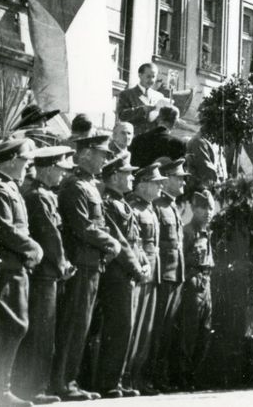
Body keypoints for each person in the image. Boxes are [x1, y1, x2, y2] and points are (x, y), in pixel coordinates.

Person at [50, 132, 120, 401]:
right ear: (87, 153)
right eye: (102, 154)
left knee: (82, 326)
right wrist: (110, 242)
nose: (104, 160)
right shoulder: (75, 186)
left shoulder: (90, 185)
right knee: (73, 326)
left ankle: (70, 380)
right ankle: (62, 383)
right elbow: (83, 226)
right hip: (80, 263)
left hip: (91, 264)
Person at [16, 145, 74, 406]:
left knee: (44, 331)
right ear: (49, 168)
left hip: (47, 271)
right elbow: (50, 235)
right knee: (41, 332)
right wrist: (63, 264)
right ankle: (34, 388)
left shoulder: (43, 194)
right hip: (44, 274)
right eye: (60, 170)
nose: (62, 175)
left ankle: (38, 385)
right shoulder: (39, 196)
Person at [0, 137, 43, 407]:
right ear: (12, 160)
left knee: (15, 326)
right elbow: (5, 228)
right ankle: (0, 391)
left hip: (17, 266)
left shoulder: (10, 186)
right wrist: (33, 248)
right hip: (8, 267)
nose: (28, 166)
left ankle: (2, 389)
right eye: (25, 160)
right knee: (11, 327)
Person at [95, 154, 149, 398]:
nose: (131, 178)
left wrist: (144, 262)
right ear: (114, 176)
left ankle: (117, 379)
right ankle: (108, 382)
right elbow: (120, 242)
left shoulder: (122, 202)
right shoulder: (108, 203)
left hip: (128, 274)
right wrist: (137, 268)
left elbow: (135, 241)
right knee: (118, 327)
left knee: (126, 328)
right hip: (118, 274)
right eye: (127, 173)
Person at [123, 164, 164, 395]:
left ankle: (137, 377)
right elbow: (135, 243)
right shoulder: (134, 208)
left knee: (146, 330)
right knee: (134, 328)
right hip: (139, 273)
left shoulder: (149, 208)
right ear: (143, 185)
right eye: (156, 182)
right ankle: (126, 376)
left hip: (152, 274)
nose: (160, 186)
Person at [146, 157, 186, 392]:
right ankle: (149, 376)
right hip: (163, 276)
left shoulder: (171, 206)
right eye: (178, 178)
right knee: (157, 330)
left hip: (175, 275)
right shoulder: (159, 206)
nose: (182, 182)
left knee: (167, 330)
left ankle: (159, 377)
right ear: (167, 179)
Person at [176, 190, 216, 389]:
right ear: (193, 209)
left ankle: (193, 375)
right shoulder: (187, 232)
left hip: (206, 283)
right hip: (192, 283)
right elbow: (180, 260)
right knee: (188, 333)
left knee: (205, 332)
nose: (208, 212)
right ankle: (182, 377)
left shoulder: (207, 232)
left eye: (210, 208)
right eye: (203, 208)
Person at [128, 106, 187, 170]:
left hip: (140, 178)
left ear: (158, 119)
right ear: (175, 123)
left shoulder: (139, 138)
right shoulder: (178, 144)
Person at [116, 64, 161, 138]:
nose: (151, 80)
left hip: (153, 140)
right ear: (140, 75)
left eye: (153, 77)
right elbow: (121, 115)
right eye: (148, 76)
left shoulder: (159, 96)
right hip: (134, 139)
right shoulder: (127, 94)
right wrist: (142, 109)